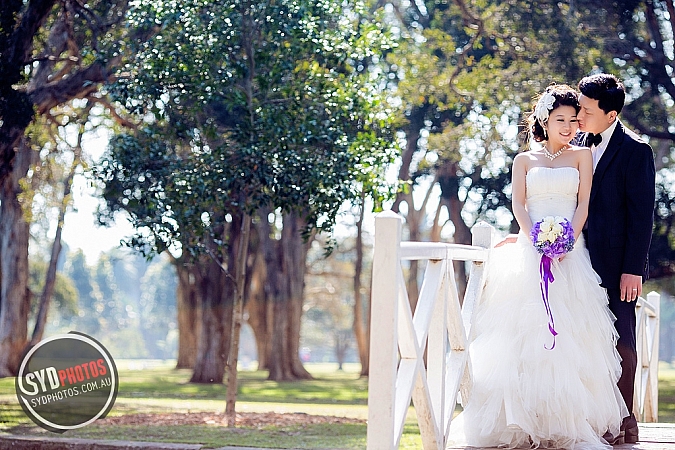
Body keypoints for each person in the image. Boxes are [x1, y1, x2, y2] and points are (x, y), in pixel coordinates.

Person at [455, 84, 628, 449]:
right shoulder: (524, 161)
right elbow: (519, 204)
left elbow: (583, 204)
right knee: (522, 336)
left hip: (570, 255)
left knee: (571, 337)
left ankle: (565, 424)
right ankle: (524, 423)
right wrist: (535, 237)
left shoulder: (582, 156)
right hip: (529, 251)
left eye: (573, 119)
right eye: (560, 119)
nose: (568, 126)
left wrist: (566, 242)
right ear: (545, 121)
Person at [576, 73, 656, 444]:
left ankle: (625, 420)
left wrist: (632, 270)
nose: (579, 116)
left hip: (615, 264)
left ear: (610, 115)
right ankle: (589, 419)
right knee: (581, 341)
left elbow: (642, 216)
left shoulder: (636, 151)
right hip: (574, 260)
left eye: (587, 111)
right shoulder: (574, 142)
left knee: (622, 342)